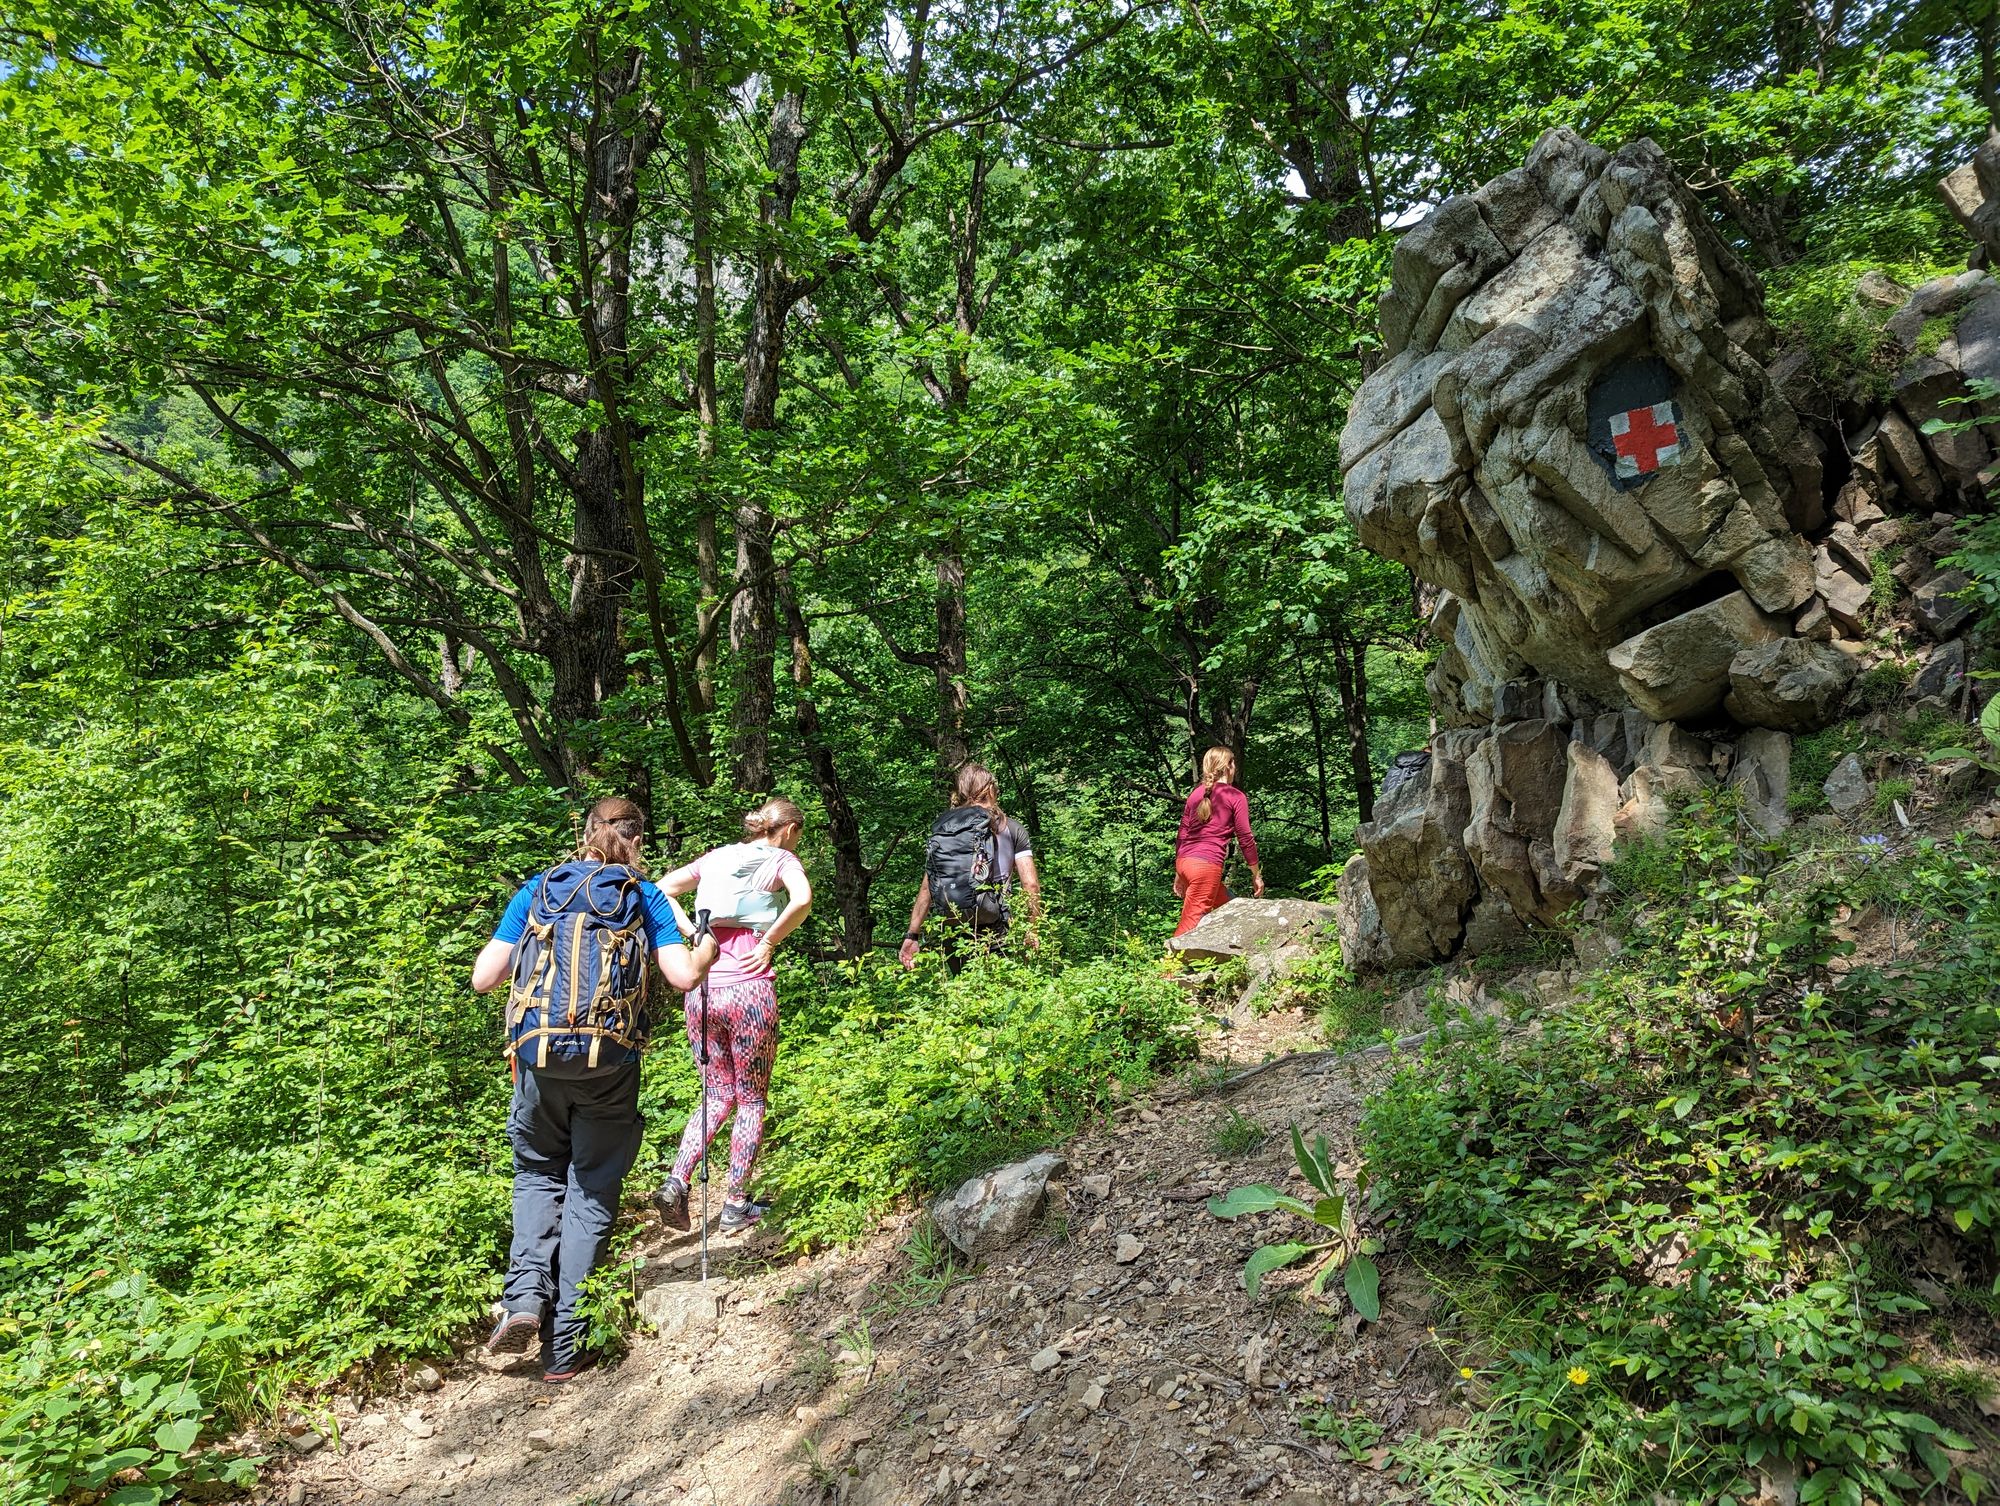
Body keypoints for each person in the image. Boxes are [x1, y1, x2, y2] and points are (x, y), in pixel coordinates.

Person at [470, 797, 718, 1383]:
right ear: (637, 839)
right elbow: (683, 976)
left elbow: (484, 978)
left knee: (536, 1174)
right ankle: (564, 1347)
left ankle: (525, 1297)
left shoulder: (538, 890)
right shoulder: (643, 895)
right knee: (591, 1188)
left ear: (585, 834)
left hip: (538, 1059)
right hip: (609, 1063)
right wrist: (706, 944)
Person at [649, 797, 812, 1235]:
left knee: (715, 1095)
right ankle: (736, 1203)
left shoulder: (716, 857)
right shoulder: (783, 858)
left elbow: (660, 889)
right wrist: (769, 941)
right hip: (748, 990)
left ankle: (676, 1180)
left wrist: (690, 930)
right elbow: (803, 900)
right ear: (791, 829)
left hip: (702, 987)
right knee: (752, 1099)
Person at [899, 762, 1042, 974]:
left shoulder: (946, 829)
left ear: (961, 792)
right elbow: (1030, 884)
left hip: (954, 929)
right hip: (998, 927)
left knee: (964, 995)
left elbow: (927, 887)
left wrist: (912, 935)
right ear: (991, 789)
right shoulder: (1011, 828)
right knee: (1002, 996)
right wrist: (1032, 929)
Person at [1174, 747, 1262, 937]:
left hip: (1185, 862)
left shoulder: (1195, 794)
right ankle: (1169, 967)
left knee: (1229, 905)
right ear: (1228, 767)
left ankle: (1240, 948)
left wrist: (1179, 873)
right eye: (1233, 762)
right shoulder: (1235, 796)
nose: (1235, 767)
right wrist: (1256, 874)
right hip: (1205, 866)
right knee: (1190, 923)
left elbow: (1182, 833)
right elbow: (1245, 837)